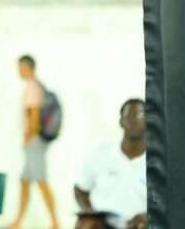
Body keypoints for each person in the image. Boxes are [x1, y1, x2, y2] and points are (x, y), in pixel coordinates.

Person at [74, 99, 148, 229]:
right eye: (129, 116)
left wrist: (148, 218)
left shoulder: (156, 163)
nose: (134, 120)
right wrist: (91, 214)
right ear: (121, 122)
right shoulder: (102, 154)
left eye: (140, 115)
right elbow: (80, 190)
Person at [10, 55, 60, 229]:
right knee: (24, 181)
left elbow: (34, 114)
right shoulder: (38, 86)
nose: (18, 71)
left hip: (34, 141)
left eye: (19, 67)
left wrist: (28, 137)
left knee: (41, 180)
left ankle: (55, 222)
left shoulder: (32, 87)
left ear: (26, 67)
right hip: (36, 140)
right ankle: (18, 221)